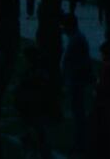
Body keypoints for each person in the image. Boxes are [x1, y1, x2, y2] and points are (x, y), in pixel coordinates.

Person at [15, 45, 58, 158]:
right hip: (36, 111)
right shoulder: (39, 73)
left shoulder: (32, 74)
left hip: (32, 111)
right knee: (40, 140)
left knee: (34, 139)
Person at [61, 13, 94, 155]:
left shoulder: (77, 40)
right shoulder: (76, 39)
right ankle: (80, 142)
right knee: (78, 113)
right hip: (75, 81)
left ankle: (81, 143)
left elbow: (78, 63)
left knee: (79, 114)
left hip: (77, 82)